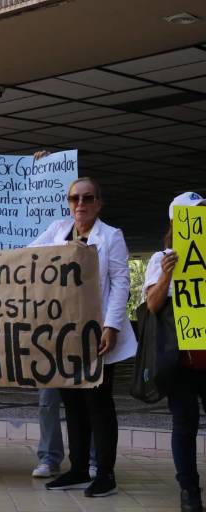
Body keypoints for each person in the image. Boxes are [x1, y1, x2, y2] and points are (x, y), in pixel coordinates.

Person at [30, 176, 136, 497]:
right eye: (75, 198)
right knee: (72, 403)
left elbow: (120, 283)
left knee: (98, 403)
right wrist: (67, 249)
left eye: (88, 198)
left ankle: (104, 473)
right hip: (64, 334)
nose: (80, 204)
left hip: (96, 333)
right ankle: (77, 469)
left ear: (98, 203)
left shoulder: (111, 236)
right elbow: (30, 257)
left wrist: (112, 326)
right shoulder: (58, 230)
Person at [144, 191, 206, 512]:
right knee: (185, 425)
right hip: (181, 361)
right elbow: (152, 306)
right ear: (177, 221)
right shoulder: (160, 258)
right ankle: (189, 491)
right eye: (195, 213)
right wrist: (168, 273)